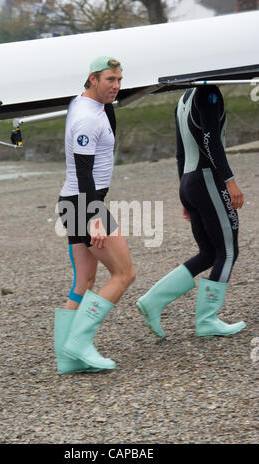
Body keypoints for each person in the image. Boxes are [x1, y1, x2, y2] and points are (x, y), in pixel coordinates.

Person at [136, 84, 246, 338]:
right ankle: (207, 320)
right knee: (228, 251)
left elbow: (180, 153)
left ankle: (152, 300)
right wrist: (229, 180)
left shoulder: (185, 97)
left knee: (209, 253)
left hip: (189, 180)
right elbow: (210, 139)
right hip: (207, 178)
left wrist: (185, 195)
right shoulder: (209, 93)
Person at [54, 56, 136, 374]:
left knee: (84, 279)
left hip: (73, 201)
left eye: (119, 80)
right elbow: (84, 170)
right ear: (92, 79)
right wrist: (94, 218)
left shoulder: (85, 103)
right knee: (124, 274)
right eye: (109, 80)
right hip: (83, 203)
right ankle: (79, 342)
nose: (116, 86)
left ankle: (66, 358)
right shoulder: (87, 118)